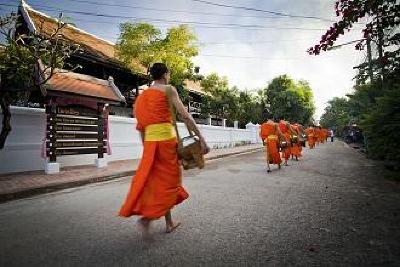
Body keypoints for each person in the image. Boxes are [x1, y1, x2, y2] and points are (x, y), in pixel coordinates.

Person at [119, 63, 210, 237]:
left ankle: (169, 223)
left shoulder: (142, 97)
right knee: (170, 182)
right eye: (168, 73)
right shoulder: (169, 89)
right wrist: (202, 139)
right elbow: (185, 115)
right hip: (167, 143)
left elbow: (141, 127)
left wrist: (147, 147)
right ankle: (148, 217)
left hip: (150, 145)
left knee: (158, 182)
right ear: (166, 74)